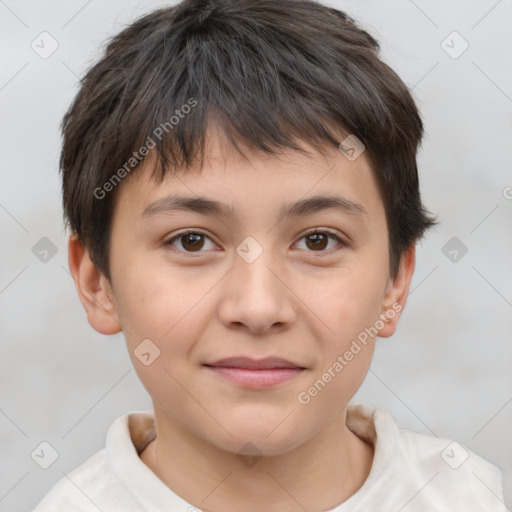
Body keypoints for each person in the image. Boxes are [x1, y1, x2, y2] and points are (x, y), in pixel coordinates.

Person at [32, 0, 506, 510]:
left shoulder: (469, 496)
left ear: (395, 281)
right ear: (95, 281)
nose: (258, 309)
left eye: (318, 240)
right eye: (192, 240)